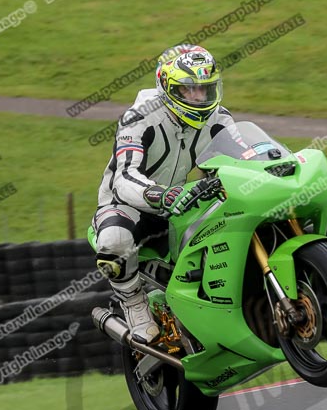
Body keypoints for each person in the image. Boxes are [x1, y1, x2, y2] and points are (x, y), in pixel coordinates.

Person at [93, 45, 238, 345]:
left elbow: (243, 156)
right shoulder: (138, 119)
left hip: (180, 202)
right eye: (190, 90)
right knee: (113, 241)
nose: (200, 98)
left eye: (205, 89)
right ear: (168, 89)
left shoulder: (218, 119)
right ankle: (133, 304)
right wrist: (160, 195)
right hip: (129, 204)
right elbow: (125, 177)